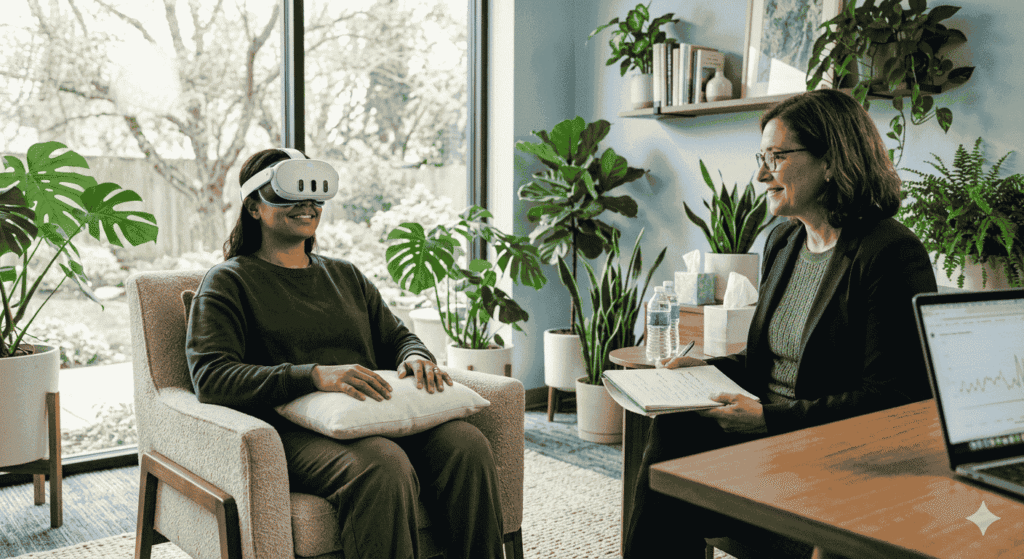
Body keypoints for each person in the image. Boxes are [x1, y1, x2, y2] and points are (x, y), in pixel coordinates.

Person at [623, 89, 938, 557]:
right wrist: (705, 373)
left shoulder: (889, 253)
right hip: (768, 438)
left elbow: (896, 397)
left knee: (670, 480)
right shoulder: (784, 242)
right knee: (673, 431)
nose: (761, 173)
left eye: (778, 156)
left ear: (832, 161)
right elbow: (769, 358)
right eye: (762, 156)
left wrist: (770, 420)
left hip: (832, 454)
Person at [185, 148, 504, 559]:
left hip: (373, 412)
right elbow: (211, 377)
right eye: (288, 195)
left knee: (467, 445)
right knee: (382, 464)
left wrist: (415, 356)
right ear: (253, 207)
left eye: (314, 196)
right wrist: (314, 375)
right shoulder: (228, 282)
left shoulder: (345, 274)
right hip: (292, 430)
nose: (307, 206)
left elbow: (398, 336)